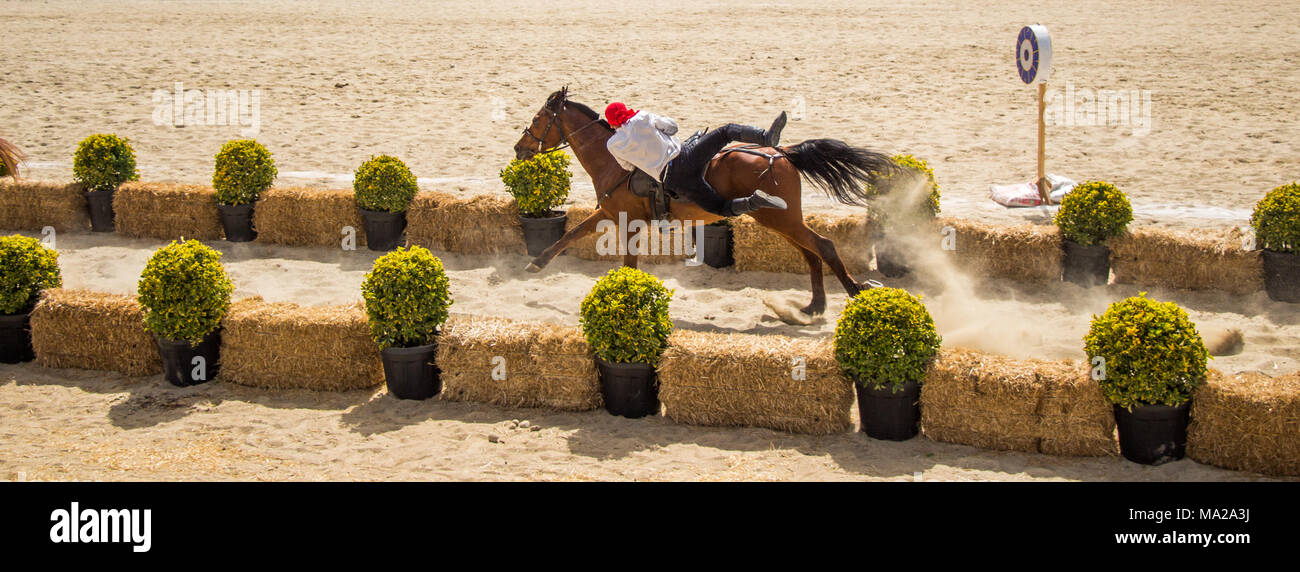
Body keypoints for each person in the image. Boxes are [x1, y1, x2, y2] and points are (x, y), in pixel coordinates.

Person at [604, 102, 788, 217]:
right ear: (625, 112)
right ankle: (766, 138)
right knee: (727, 131)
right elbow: (672, 127)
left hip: (673, 180)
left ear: (612, 122)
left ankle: (753, 202)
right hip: (685, 156)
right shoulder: (641, 117)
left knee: (720, 208)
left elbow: (627, 167)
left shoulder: (612, 144)